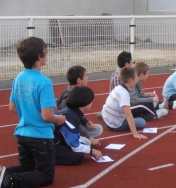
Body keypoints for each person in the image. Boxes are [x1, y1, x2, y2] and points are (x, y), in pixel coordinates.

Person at [0, 37, 66, 188]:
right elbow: (46, 116)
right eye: (46, 52)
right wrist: (58, 119)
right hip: (41, 136)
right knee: (46, 175)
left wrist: (28, 114)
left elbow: (12, 107)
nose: (47, 55)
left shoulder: (18, 78)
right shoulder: (44, 82)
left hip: (22, 133)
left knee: (26, 168)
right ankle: (11, 182)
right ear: (39, 56)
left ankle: (3, 176)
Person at [54, 86, 102, 165]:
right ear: (85, 102)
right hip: (50, 144)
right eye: (91, 101)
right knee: (78, 157)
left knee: (83, 146)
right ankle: (45, 158)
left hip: (56, 140)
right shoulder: (71, 117)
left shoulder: (71, 112)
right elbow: (74, 144)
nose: (92, 103)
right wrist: (91, 151)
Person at [57, 65, 103, 147]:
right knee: (87, 142)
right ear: (79, 80)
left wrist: (86, 121)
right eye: (85, 76)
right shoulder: (68, 98)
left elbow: (77, 113)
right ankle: (77, 140)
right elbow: (71, 122)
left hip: (74, 125)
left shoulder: (76, 92)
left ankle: (81, 138)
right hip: (67, 129)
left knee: (98, 128)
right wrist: (89, 137)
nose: (87, 78)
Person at [101, 67, 148, 139]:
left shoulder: (118, 88)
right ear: (131, 81)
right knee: (142, 122)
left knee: (132, 115)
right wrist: (135, 134)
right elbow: (128, 115)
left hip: (105, 117)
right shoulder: (124, 93)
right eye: (136, 78)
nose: (137, 79)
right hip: (114, 125)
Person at [97, 51, 133, 118]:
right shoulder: (117, 76)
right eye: (131, 62)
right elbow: (118, 95)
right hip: (118, 105)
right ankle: (105, 114)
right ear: (127, 64)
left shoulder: (124, 73)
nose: (132, 64)